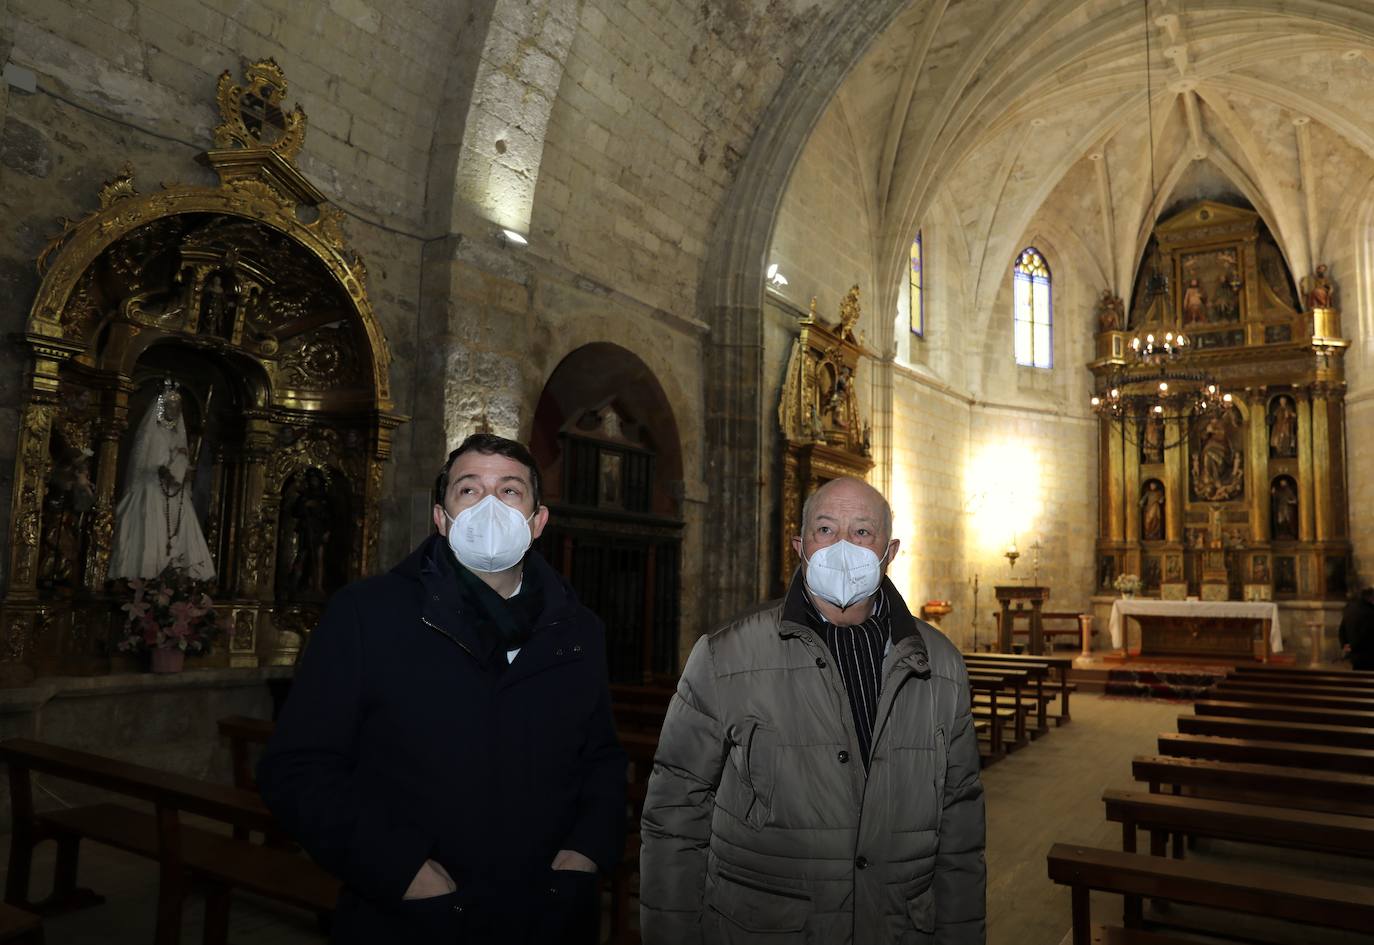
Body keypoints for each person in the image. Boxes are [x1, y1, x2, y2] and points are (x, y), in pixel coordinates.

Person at [257, 433, 627, 945]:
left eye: (510, 491)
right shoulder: (367, 614)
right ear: (441, 517)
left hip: (547, 912)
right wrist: (399, 868)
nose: (489, 506)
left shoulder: (579, 629)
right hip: (410, 914)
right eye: (469, 491)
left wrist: (586, 853)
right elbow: (297, 767)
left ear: (537, 521)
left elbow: (602, 758)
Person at [640, 476, 986, 944]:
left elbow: (961, 827)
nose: (844, 546)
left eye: (863, 532)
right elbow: (675, 813)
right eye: (826, 530)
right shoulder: (725, 655)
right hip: (764, 928)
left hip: (899, 927)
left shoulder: (941, 664)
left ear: (891, 551)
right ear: (800, 546)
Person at [108, 380, 216, 581]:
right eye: (170, 405)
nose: (174, 410)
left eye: (177, 406)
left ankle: (179, 577)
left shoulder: (178, 435)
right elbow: (141, 463)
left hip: (175, 493)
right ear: (161, 407)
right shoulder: (152, 432)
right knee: (150, 530)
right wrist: (161, 471)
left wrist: (183, 467)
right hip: (150, 489)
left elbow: (182, 464)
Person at [1340, 586, 1374, 671]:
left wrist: (1345, 645)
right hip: (1368, 655)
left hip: (1355, 656)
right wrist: (1352, 646)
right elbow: (1365, 634)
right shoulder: (1369, 611)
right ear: (1371, 598)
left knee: (1358, 676)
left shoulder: (1349, 608)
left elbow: (1341, 630)